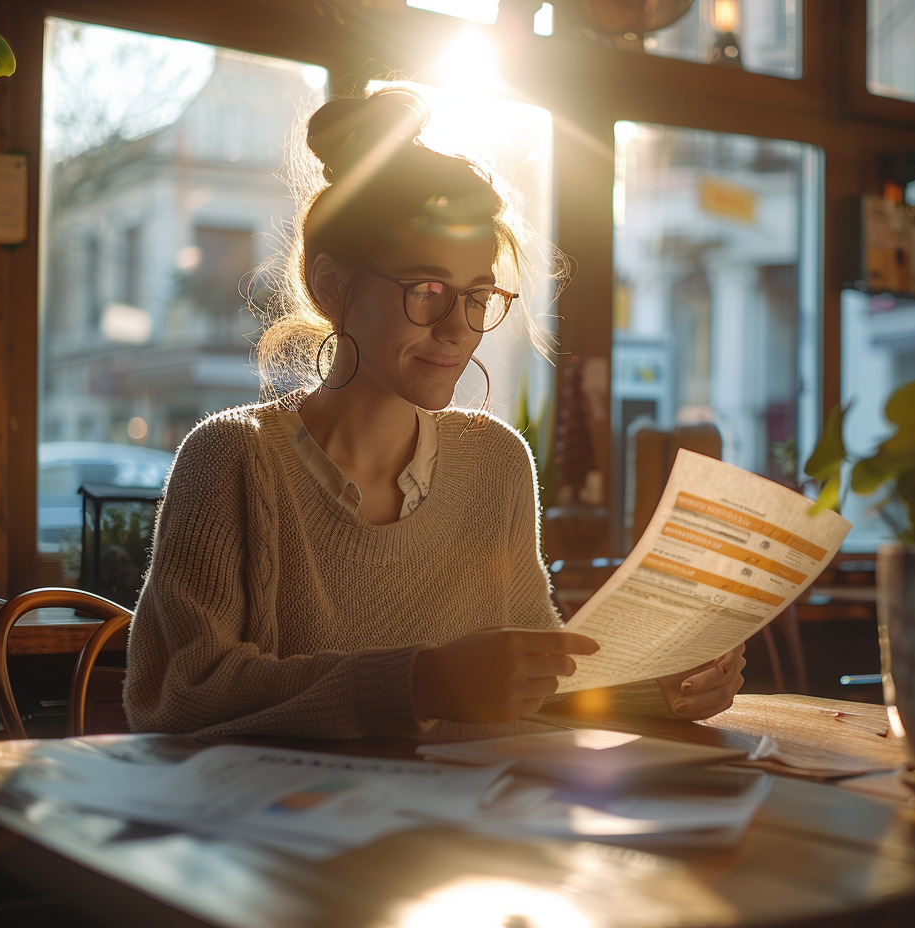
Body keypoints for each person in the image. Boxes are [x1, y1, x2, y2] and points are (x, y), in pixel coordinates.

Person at [124, 86, 745, 741]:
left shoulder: (497, 462)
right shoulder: (232, 459)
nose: (458, 327)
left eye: (479, 295)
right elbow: (175, 699)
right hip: (280, 833)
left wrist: (662, 688)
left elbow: (531, 685)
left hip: (462, 829)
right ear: (331, 286)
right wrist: (422, 683)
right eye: (426, 290)